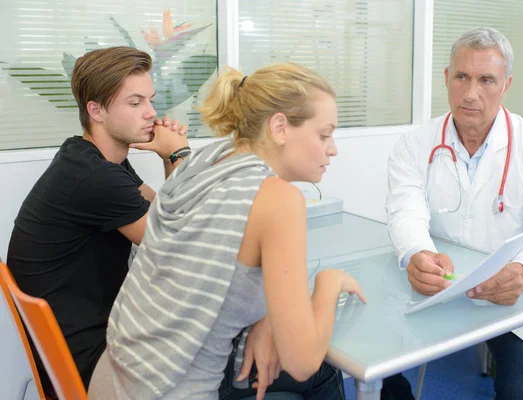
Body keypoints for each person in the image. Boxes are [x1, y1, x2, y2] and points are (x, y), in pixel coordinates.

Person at [87, 62, 366, 400]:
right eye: (324, 135)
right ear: (279, 127)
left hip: (116, 376)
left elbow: (214, 271)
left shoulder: (203, 163)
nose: (332, 148)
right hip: (169, 389)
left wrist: (268, 320)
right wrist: (328, 283)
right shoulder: (278, 199)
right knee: (323, 369)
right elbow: (302, 360)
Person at [385, 27, 523, 400]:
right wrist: (416, 253)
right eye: (462, 76)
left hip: (513, 301)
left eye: (486, 79)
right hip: (435, 290)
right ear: (446, 78)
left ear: (506, 84)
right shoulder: (414, 145)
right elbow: (404, 208)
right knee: (369, 368)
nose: (471, 93)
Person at [6, 46, 190, 393]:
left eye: (150, 100)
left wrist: (170, 159)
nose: (151, 113)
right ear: (96, 110)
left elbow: (166, 210)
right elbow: (181, 248)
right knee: (306, 372)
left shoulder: (90, 159)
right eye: (135, 103)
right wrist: (178, 153)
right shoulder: (95, 178)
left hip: (100, 344)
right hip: (100, 368)